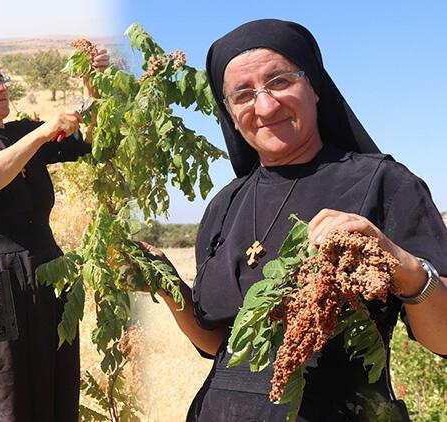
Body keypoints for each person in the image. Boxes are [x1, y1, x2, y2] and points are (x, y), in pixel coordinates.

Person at [145, 19, 447, 421]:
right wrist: (167, 285)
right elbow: (222, 346)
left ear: (315, 87)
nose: (265, 106)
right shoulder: (225, 205)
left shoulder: (385, 184)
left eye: (280, 81)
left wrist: (402, 266)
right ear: (231, 115)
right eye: (243, 95)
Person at [0, 51, 108, 422]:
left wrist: (92, 85)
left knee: (48, 375)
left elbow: (88, 143)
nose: (1, 88)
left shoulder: (16, 133)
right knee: (0, 383)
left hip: (44, 270)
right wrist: (42, 133)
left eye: (2, 79)